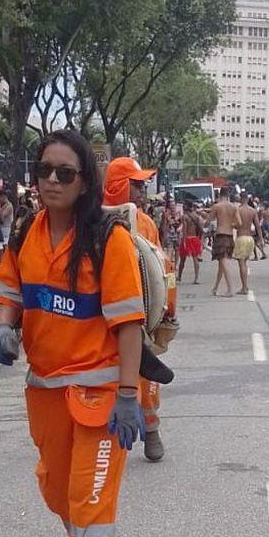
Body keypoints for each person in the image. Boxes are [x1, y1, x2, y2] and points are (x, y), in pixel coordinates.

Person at [0, 130, 147, 537]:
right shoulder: (26, 233)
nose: (52, 180)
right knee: (59, 497)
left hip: (99, 397)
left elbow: (129, 323)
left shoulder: (109, 239)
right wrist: (4, 325)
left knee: (90, 511)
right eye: (44, 171)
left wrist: (129, 395)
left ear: (85, 182)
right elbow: (8, 293)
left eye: (65, 172)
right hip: (45, 394)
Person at [104, 156, 169, 463]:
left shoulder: (145, 223)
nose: (143, 191)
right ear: (118, 186)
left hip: (137, 316)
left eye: (143, 185)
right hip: (100, 317)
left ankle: (152, 431)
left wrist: (167, 315)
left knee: (143, 375)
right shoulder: (90, 219)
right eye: (136, 184)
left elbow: (160, 271)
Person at [208, 187, 240, 297]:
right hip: (230, 236)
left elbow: (209, 220)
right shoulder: (234, 207)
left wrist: (203, 225)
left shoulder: (216, 206)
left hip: (221, 235)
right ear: (228, 195)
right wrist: (231, 224)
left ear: (219, 195)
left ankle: (230, 288)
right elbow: (238, 223)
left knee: (223, 262)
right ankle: (215, 288)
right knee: (221, 263)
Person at [233, 195, 263, 294]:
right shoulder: (253, 211)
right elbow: (258, 226)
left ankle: (244, 287)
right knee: (244, 263)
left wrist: (232, 226)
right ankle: (245, 286)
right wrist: (261, 239)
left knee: (241, 264)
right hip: (250, 239)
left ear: (241, 199)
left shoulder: (238, 210)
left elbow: (237, 224)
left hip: (241, 238)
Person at [178, 200, 204, 284]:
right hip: (195, 238)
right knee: (195, 258)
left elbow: (184, 229)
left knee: (182, 259)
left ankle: (179, 276)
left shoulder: (184, 216)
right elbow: (200, 227)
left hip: (187, 238)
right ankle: (196, 278)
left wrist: (184, 240)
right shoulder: (196, 216)